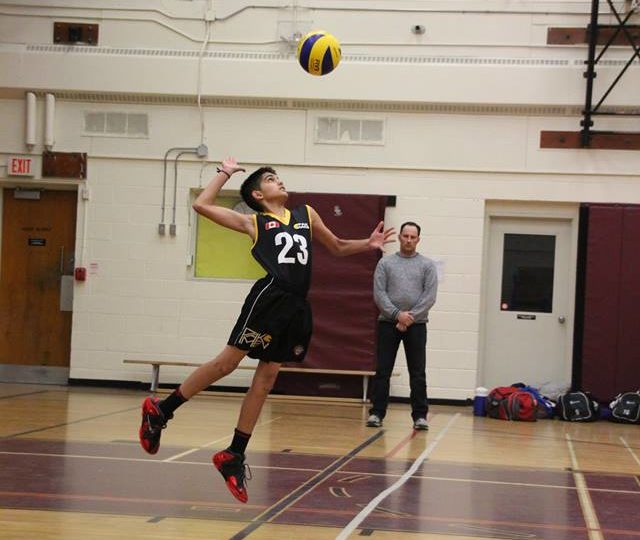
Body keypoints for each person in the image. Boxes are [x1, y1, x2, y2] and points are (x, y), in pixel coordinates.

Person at [138, 157, 395, 503]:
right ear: (258, 194)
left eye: (279, 177)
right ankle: (161, 409)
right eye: (272, 179)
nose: (280, 182)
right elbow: (201, 204)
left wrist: (367, 244)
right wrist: (225, 173)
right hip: (269, 299)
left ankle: (233, 454)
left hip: (297, 306)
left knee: (268, 377)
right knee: (226, 364)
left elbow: (335, 246)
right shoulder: (253, 222)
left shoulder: (306, 215)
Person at [366, 221, 438, 430]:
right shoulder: (385, 264)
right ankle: (377, 413)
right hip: (388, 324)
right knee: (383, 371)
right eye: (405, 236)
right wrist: (398, 315)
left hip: (416, 325)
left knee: (417, 372)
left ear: (418, 240)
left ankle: (420, 416)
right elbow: (379, 295)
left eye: (412, 237)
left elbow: (429, 297)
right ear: (399, 237)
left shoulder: (427, 265)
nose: (408, 240)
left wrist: (410, 318)